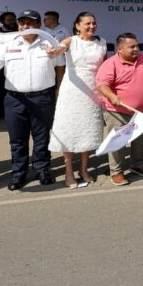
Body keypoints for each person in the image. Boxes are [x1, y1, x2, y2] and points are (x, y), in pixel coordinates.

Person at [0, 10, 64, 190]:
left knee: (42, 137)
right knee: (17, 139)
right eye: (22, 23)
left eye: (29, 23)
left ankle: (42, 169)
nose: (24, 26)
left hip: (43, 98)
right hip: (15, 99)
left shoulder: (50, 44)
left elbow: (60, 67)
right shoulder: (9, 43)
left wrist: (59, 88)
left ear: (39, 26)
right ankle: (18, 173)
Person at [47, 12, 105, 188]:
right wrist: (53, 51)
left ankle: (84, 169)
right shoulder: (70, 40)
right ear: (77, 25)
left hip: (93, 91)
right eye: (87, 23)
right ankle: (69, 171)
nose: (91, 26)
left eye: (94, 23)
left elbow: (105, 67)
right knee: (70, 130)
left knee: (87, 129)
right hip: (72, 91)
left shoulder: (101, 42)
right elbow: (58, 50)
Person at [96, 33, 143, 185]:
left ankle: (138, 165)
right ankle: (116, 172)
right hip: (117, 111)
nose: (136, 49)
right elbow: (102, 85)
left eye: (137, 46)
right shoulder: (110, 64)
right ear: (120, 48)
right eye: (132, 47)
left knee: (140, 139)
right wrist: (112, 96)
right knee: (117, 143)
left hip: (141, 112)